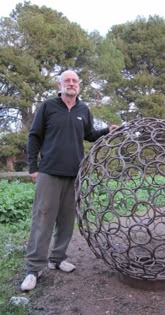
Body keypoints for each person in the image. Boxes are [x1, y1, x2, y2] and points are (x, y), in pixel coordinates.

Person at [21, 69, 118, 291]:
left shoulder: (84, 110)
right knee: (43, 219)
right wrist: (33, 168)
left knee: (66, 221)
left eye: (74, 81)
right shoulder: (47, 107)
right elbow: (34, 136)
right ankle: (33, 269)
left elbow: (89, 134)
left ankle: (57, 258)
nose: (71, 83)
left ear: (79, 86)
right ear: (59, 85)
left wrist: (106, 131)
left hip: (75, 174)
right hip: (49, 172)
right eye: (67, 80)